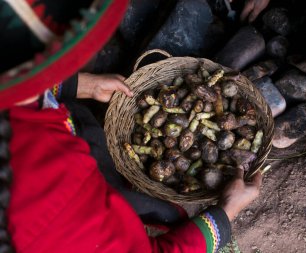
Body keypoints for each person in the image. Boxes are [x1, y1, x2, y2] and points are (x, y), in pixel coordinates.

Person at [0, 1, 265, 252]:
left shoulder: (20, 102)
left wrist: (80, 85)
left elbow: (24, 86)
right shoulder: (50, 219)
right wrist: (227, 211)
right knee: (166, 213)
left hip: (61, 132)